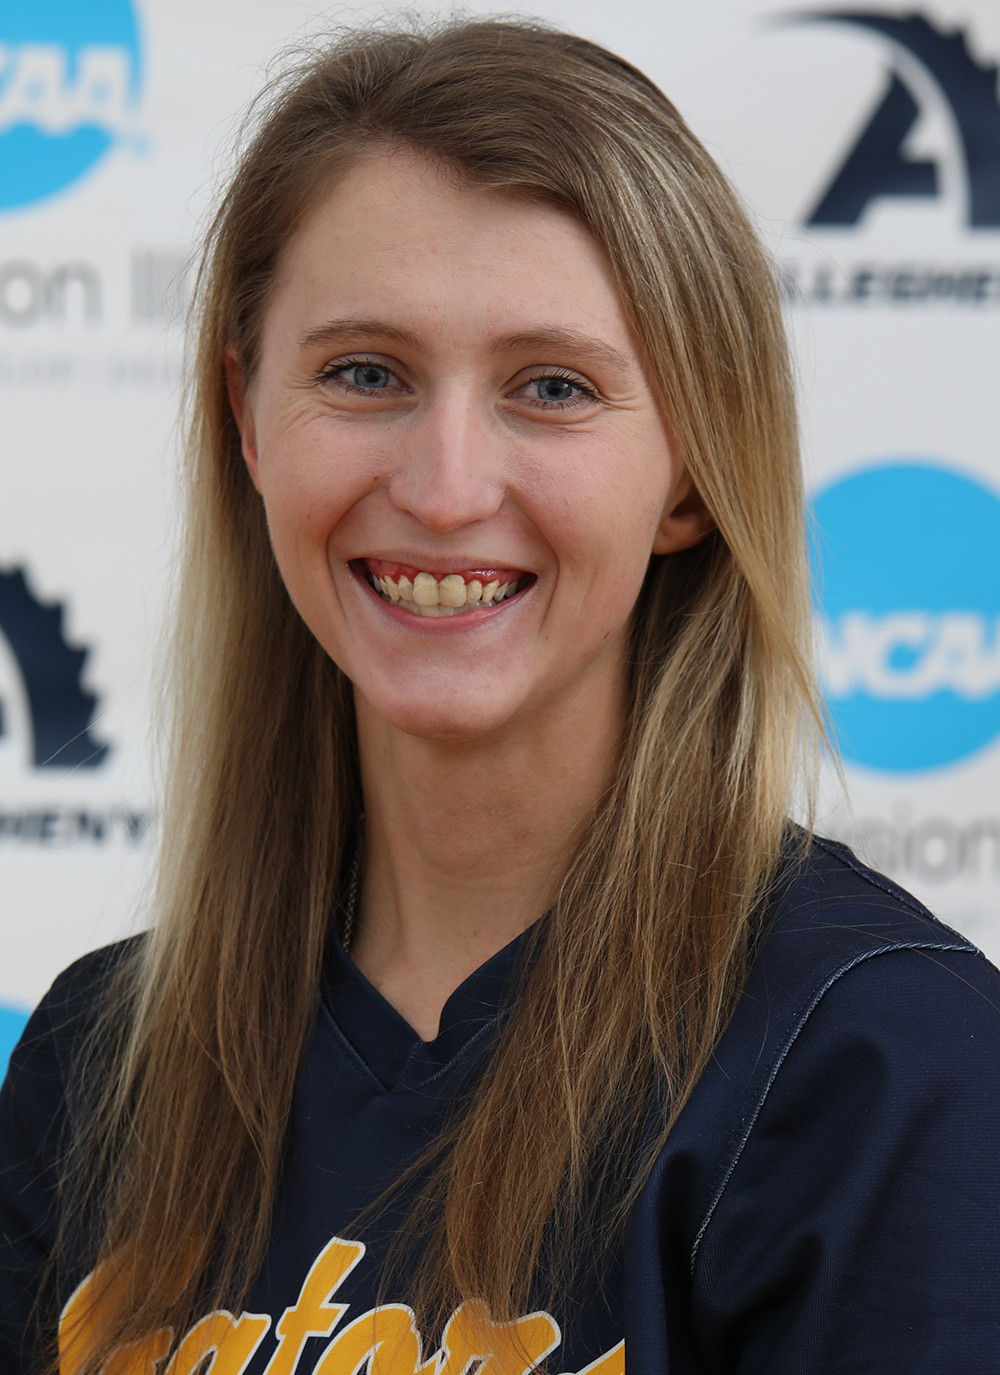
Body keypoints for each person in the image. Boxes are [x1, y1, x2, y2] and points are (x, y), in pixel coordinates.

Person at [2, 18, 999, 1375]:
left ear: (694, 470)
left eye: (552, 388)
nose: (448, 485)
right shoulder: (95, 1065)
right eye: (365, 374)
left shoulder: (883, 1065)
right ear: (247, 419)